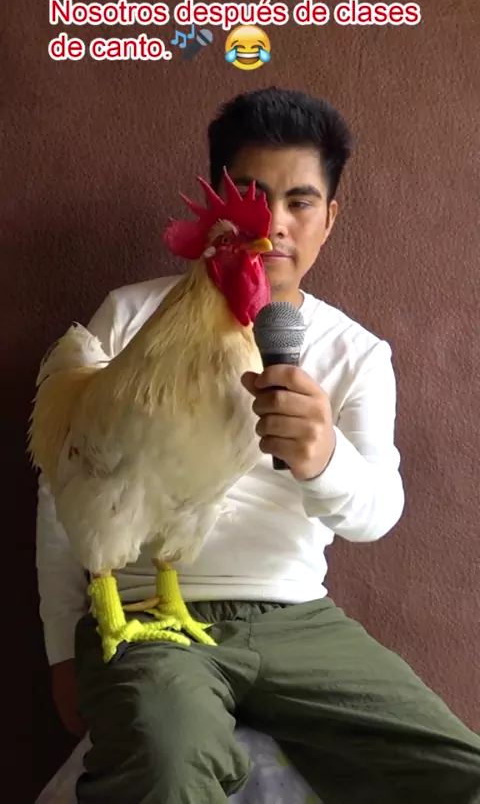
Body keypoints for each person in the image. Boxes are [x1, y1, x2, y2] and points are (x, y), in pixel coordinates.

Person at [36, 87, 480, 804]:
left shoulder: (358, 353)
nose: (274, 224)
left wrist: (324, 459)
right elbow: (63, 494)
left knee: (462, 774)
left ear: (330, 218)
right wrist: (63, 651)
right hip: (147, 608)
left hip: (294, 614)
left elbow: (378, 513)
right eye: (251, 196)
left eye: (301, 201)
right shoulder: (130, 315)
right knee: (168, 768)